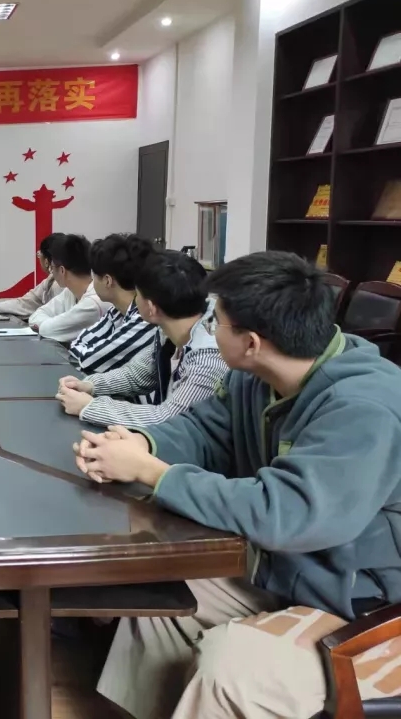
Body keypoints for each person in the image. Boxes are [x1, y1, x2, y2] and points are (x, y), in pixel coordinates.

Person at [73, 252, 401, 719]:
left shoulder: (365, 407)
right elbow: (204, 432)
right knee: (160, 598)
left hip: (366, 605)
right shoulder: (259, 377)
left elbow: (287, 513)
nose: (209, 330)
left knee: (230, 668)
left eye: (216, 321)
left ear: (250, 342)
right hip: (292, 571)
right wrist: (143, 443)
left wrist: (153, 473)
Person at [56, 249, 226, 427]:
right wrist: (89, 385)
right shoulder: (172, 326)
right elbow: (138, 375)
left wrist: (90, 406)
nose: (134, 301)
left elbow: (169, 419)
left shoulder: (207, 358)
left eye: (137, 294)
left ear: (151, 308)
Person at [67, 233, 156, 374]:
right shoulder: (117, 311)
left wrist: (88, 354)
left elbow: (90, 362)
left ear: (107, 281)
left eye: (94, 276)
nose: (92, 282)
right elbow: (78, 344)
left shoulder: (144, 320)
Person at [25, 234, 109, 342]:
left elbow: (48, 330)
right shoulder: (70, 292)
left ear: (62, 270)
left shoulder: (94, 303)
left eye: (52, 267)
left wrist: (47, 324)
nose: (51, 272)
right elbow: (36, 315)